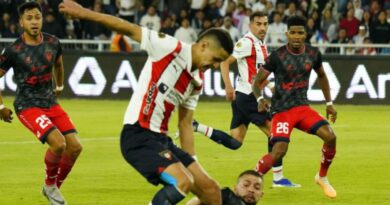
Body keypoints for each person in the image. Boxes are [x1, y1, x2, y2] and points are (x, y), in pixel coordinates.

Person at [59, 1, 234, 204]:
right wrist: (83, 13)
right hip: (137, 136)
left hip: (160, 140)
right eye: (215, 59)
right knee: (182, 182)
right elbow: (126, 27)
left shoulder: (196, 82)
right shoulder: (169, 48)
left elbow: (185, 125)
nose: (214, 66)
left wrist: (192, 164)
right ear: (204, 45)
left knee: (211, 191)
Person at [192, 11, 299, 188]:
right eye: (258, 24)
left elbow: (257, 74)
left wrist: (272, 87)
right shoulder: (247, 43)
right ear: (250, 25)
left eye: (265, 24)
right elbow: (225, 62)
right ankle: (278, 178)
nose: (263, 27)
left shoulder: (261, 44)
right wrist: (227, 86)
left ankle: (197, 127)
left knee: (235, 142)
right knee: (277, 135)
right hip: (248, 97)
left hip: (245, 97)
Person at [0, 2, 83, 205]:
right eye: (29, 18)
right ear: (21, 22)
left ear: (42, 19)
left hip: (50, 102)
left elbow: (59, 65)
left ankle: (52, 189)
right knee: (58, 144)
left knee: (75, 147)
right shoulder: (13, 50)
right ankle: (50, 186)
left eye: (37, 17)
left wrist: (60, 88)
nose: (34, 21)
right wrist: (1, 107)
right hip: (27, 106)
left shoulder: (53, 42)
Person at [252, 16, 337, 199]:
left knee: (330, 136)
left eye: (300, 32)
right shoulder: (277, 56)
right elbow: (257, 81)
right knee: (279, 151)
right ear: (287, 34)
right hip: (282, 111)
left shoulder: (313, 54)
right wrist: (260, 99)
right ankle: (252, 179)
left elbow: (322, 76)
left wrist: (329, 103)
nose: (296, 36)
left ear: (305, 34)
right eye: (293, 33)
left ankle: (322, 177)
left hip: (302, 109)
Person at [187, 170, 264, 205]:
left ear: (261, 195)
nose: (251, 190)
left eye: (256, 188)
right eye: (246, 185)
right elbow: (194, 202)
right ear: (235, 188)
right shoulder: (225, 196)